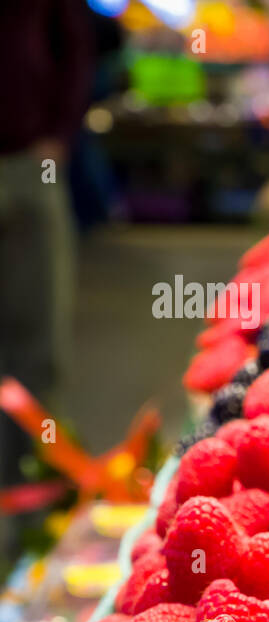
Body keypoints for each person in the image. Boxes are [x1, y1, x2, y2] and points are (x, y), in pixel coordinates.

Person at [0, 2, 95, 562]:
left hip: (29, 167)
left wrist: (58, 137)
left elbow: (75, 44)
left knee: (37, 362)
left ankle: (36, 533)